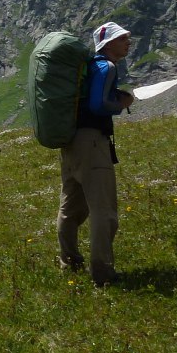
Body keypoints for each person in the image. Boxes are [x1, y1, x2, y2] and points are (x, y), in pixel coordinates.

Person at [57, 21, 135, 286]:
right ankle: (102, 273)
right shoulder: (107, 67)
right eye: (123, 38)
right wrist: (120, 104)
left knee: (70, 206)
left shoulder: (86, 68)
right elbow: (99, 104)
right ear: (108, 43)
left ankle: (69, 262)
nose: (128, 42)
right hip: (92, 143)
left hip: (70, 142)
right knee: (103, 210)